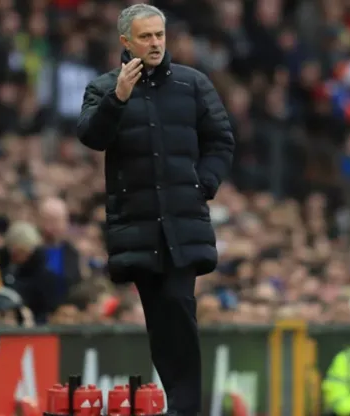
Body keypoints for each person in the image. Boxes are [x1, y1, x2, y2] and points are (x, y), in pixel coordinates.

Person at [76, 3, 235, 416]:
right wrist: (119, 98)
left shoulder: (193, 84)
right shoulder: (102, 88)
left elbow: (221, 140)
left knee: (179, 302)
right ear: (125, 41)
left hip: (183, 221)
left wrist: (205, 183)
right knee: (160, 317)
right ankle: (178, 403)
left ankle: (184, 408)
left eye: (160, 35)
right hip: (138, 223)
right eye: (146, 36)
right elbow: (92, 137)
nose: (155, 44)